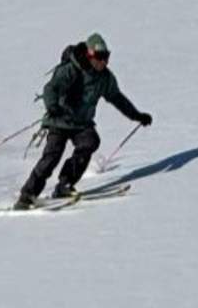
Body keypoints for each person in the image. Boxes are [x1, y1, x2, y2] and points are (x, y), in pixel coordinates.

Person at [14, 33, 152, 209]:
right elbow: (51, 88)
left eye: (106, 57)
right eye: (100, 57)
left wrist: (137, 115)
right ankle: (27, 195)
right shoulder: (71, 69)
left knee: (90, 141)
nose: (104, 62)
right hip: (60, 120)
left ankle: (65, 184)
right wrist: (52, 106)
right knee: (51, 157)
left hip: (82, 123)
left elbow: (117, 98)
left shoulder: (105, 78)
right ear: (89, 55)